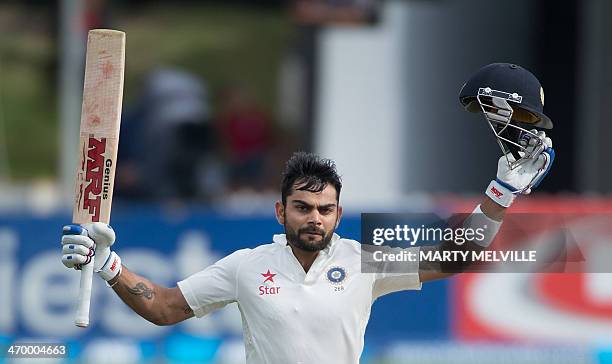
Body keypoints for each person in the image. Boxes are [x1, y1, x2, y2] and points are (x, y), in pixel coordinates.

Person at [60, 63, 555, 363]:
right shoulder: (245, 267)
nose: (314, 218)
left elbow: (455, 258)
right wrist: (108, 265)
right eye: (302, 207)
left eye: (324, 209)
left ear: (338, 215)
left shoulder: (365, 262)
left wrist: (502, 191)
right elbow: (165, 307)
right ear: (281, 211)